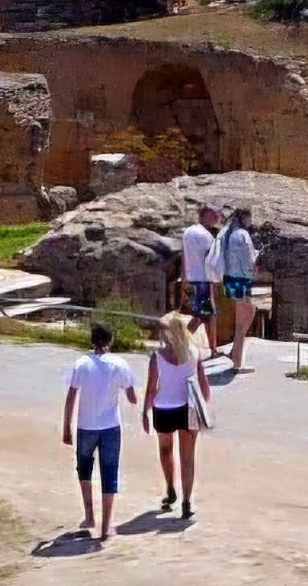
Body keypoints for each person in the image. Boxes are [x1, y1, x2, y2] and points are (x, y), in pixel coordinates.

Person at [63, 323, 139, 541]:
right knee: (109, 473)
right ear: (111, 340)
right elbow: (132, 398)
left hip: (85, 426)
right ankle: (105, 528)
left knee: (84, 470)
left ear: (92, 339)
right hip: (111, 427)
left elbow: (71, 397)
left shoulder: (81, 363)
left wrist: (66, 427)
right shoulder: (120, 364)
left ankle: (89, 516)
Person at [145, 310, 214, 520]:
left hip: (164, 408)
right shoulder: (194, 353)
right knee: (188, 458)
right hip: (188, 409)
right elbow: (205, 388)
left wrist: (144, 413)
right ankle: (186, 502)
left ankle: (170, 488)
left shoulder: (157, 357)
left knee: (166, 451)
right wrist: (202, 408)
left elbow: (151, 389)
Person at [180, 204, 223, 359]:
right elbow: (211, 261)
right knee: (206, 316)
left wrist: (184, 277)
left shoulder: (187, 232)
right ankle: (211, 349)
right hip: (203, 280)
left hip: (191, 278)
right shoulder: (206, 236)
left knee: (198, 314)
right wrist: (216, 279)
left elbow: (183, 256)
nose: (216, 219)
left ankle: (183, 342)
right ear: (205, 215)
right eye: (214, 215)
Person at [220, 206, 260, 372]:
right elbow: (249, 259)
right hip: (242, 279)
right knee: (248, 314)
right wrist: (256, 258)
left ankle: (235, 354)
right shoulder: (243, 234)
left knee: (240, 317)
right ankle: (237, 359)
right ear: (244, 217)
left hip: (229, 278)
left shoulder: (228, 233)